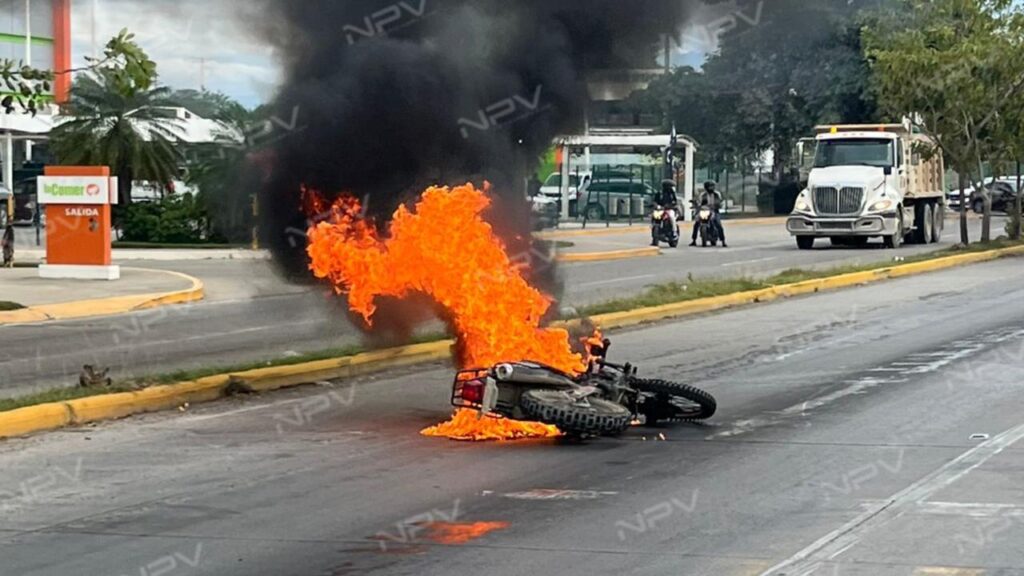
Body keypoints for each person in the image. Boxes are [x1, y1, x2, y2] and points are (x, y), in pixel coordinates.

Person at [690, 180, 728, 247]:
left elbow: (720, 202)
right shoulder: (702, 195)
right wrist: (695, 205)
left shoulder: (717, 194)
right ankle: (694, 240)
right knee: (696, 224)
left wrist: (719, 205)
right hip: (704, 211)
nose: (712, 188)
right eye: (710, 186)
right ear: (706, 187)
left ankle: (723, 241)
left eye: (712, 186)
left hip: (714, 211)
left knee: (718, 224)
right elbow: (699, 202)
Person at [651, 179, 680, 246]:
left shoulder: (672, 194)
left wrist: (672, 205)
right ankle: (654, 237)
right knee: (654, 215)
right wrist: (655, 205)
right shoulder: (659, 193)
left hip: (669, 210)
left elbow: (675, 202)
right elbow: (655, 201)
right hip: (660, 210)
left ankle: (674, 232)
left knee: (672, 217)